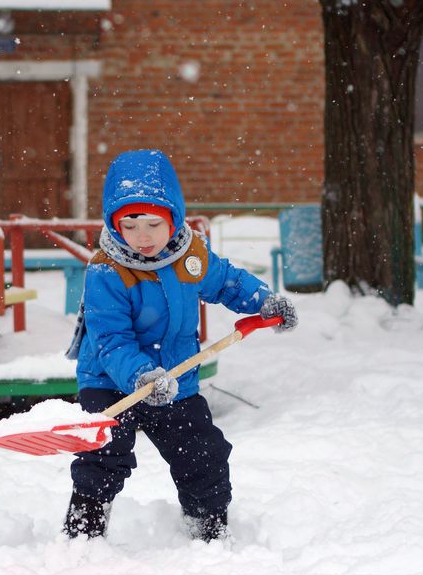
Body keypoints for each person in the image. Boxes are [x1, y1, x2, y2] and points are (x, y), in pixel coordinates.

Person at [63, 149, 297, 542]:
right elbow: (111, 339)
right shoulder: (107, 270)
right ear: (114, 224)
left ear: (173, 217)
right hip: (109, 379)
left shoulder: (191, 254)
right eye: (130, 226)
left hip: (176, 377)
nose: (143, 237)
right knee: (102, 457)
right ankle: (83, 533)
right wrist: (140, 375)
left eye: (154, 224)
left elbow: (228, 282)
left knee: (202, 454)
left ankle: (208, 526)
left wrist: (263, 302)